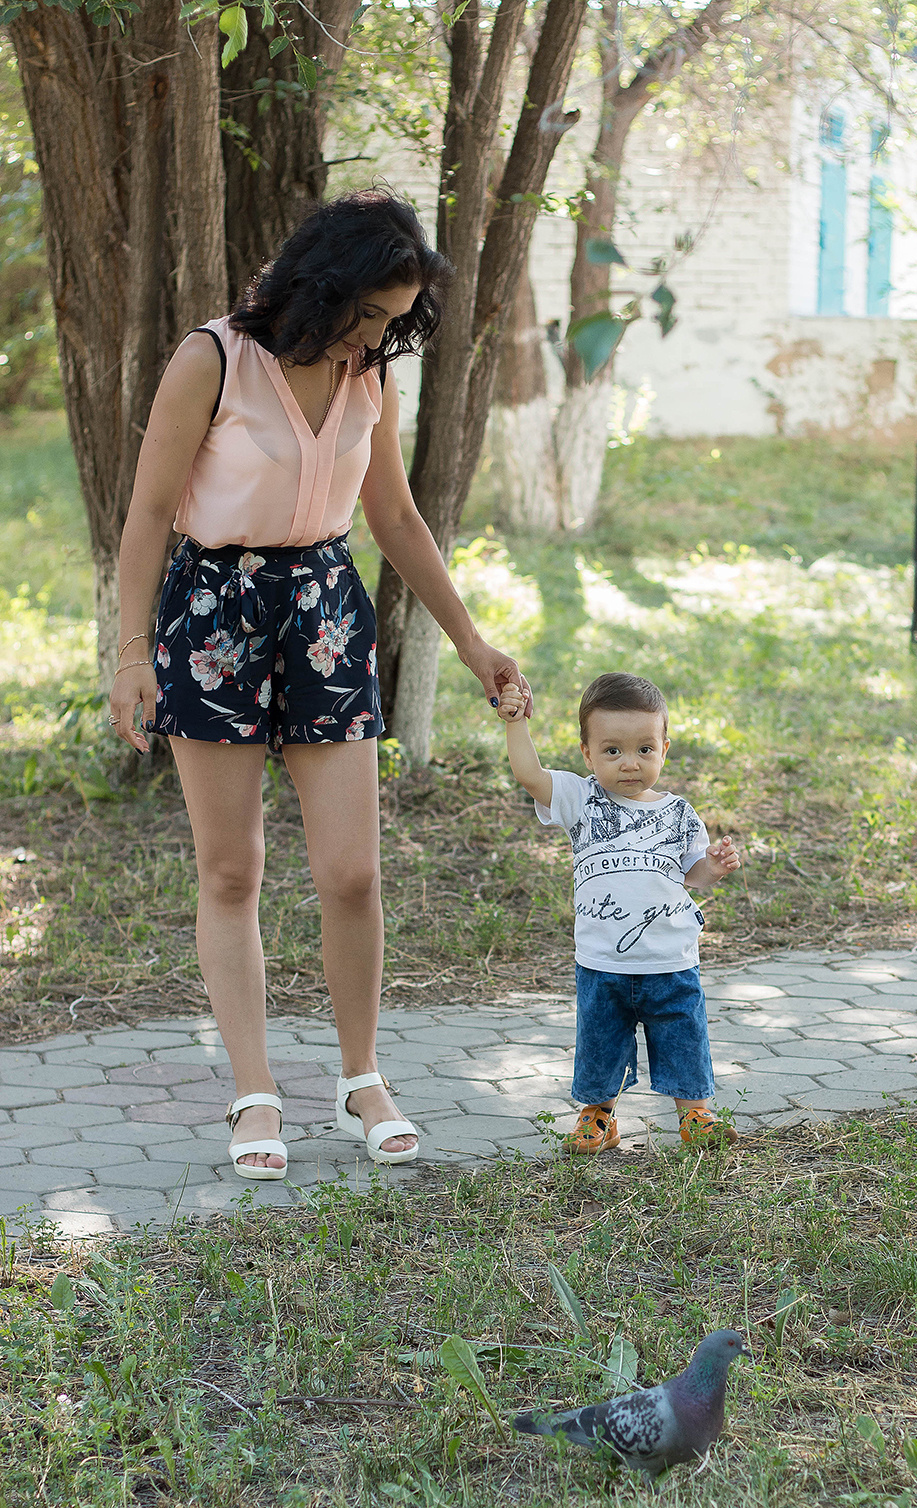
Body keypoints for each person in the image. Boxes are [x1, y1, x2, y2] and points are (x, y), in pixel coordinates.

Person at [109, 191, 531, 1181]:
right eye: (373, 313)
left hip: (327, 616)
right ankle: (255, 1093)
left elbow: (395, 519)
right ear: (326, 286)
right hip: (214, 614)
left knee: (352, 871)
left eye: (396, 321)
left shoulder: (368, 375)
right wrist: (132, 652)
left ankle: (360, 1078)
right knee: (231, 870)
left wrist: (472, 644)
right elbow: (146, 516)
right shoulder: (210, 360)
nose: (381, 336)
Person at [497, 670, 740, 1152]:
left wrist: (713, 867)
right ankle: (599, 1115)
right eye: (612, 751)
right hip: (602, 960)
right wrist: (515, 722)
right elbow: (529, 774)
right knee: (601, 1041)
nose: (630, 763)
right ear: (587, 754)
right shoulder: (581, 800)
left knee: (682, 1035)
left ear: (664, 749)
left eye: (644, 750)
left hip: (671, 959)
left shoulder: (678, 813)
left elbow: (692, 876)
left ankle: (695, 1113)